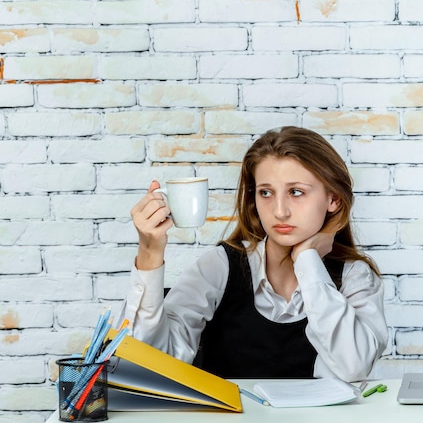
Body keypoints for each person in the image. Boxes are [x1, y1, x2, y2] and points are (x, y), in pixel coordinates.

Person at [124, 126, 388, 382]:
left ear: (333, 199)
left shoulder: (355, 276)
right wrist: (149, 250)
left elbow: (354, 368)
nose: (280, 211)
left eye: (296, 192)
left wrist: (308, 260)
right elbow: (151, 363)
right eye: (266, 193)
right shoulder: (220, 266)